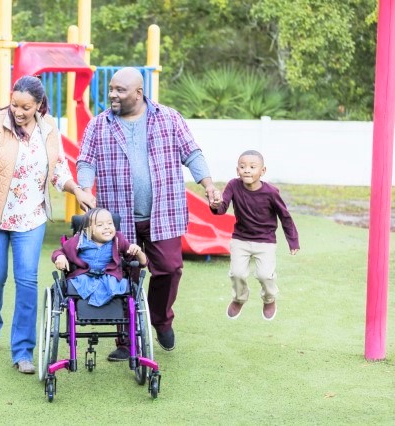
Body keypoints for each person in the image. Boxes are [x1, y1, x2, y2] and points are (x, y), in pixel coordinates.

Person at [76, 67, 221, 361]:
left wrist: (207, 184)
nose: (112, 95)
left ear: (138, 93)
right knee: (122, 276)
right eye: (111, 89)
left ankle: (161, 321)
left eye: (120, 90)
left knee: (170, 268)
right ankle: (126, 340)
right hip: (116, 220)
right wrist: (83, 187)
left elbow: (192, 153)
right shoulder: (99, 125)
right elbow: (85, 161)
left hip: (163, 213)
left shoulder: (168, 118)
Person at [0, 75, 96, 375]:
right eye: (14, 104)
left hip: (31, 217)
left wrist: (78, 191)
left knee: (27, 281)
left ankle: (23, 350)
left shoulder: (48, 130)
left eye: (26, 107)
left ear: (38, 105)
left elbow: (59, 171)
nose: (18, 112)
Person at [210, 150, 299, 321]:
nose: (247, 170)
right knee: (237, 273)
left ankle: (269, 299)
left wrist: (293, 240)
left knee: (265, 275)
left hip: (265, 241)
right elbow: (221, 209)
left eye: (252, 167)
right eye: (242, 167)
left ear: (262, 171)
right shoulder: (233, 186)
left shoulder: (271, 192)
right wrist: (215, 204)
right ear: (237, 171)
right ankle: (239, 299)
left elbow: (285, 216)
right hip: (240, 239)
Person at [51, 208, 148, 307]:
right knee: (75, 285)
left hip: (110, 279)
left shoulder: (118, 240)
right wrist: (60, 257)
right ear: (88, 230)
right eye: (100, 225)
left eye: (110, 223)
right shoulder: (79, 241)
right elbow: (59, 251)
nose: (106, 227)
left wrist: (138, 252)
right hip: (84, 278)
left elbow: (143, 263)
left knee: (120, 284)